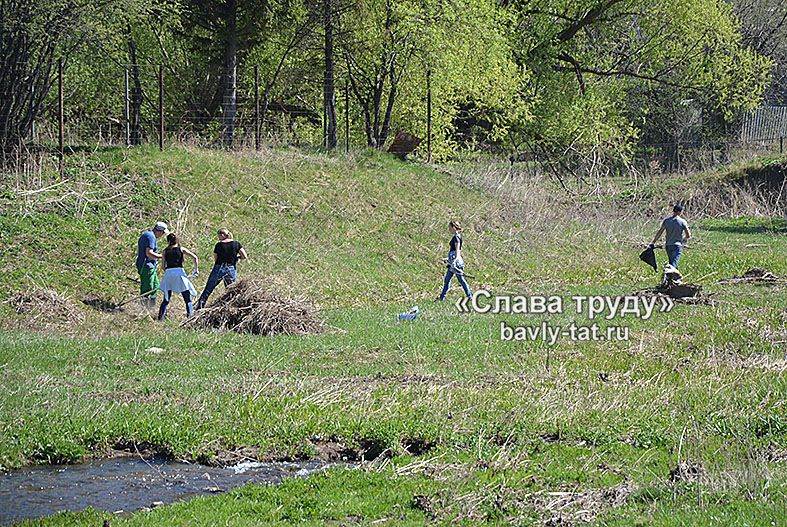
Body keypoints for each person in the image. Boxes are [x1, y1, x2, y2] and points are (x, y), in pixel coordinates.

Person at [195, 228, 248, 309]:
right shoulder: (236, 244)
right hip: (231, 268)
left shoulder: (219, 245)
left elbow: (216, 258)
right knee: (230, 290)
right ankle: (230, 307)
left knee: (209, 288)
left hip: (219, 267)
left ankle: (200, 306)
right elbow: (244, 256)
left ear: (222, 235)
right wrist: (237, 258)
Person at [157, 233, 199, 320]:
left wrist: (168, 272)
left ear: (168, 241)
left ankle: (160, 317)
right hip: (179, 273)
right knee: (187, 298)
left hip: (169, 273)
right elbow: (195, 257)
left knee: (166, 298)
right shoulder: (181, 249)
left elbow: (163, 266)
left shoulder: (165, 251)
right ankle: (190, 317)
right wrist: (196, 270)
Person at [437, 220, 472, 300]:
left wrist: (454, 261)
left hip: (456, 263)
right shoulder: (457, 236)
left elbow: (457, 250)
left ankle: (470, 296)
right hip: (453, 261)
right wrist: (447, 259)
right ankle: (441, 297)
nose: (449, 229)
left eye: (450, 228)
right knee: (447, 279)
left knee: (461, 280)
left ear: (453, 228)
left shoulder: (456, 238)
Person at [136, 221, 168, 310]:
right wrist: (163, 256)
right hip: (146, 266)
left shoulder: (149, 235)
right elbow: (149, 253)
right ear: (159, 231)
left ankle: (151, 308)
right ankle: (144, 309)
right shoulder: (150, 237)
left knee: (155, 286)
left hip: (151, 266)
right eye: (162, 233)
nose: (162, 235)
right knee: (147, 287)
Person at [650, 204, 692, 269]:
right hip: (677, 245)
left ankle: (669, 277)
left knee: (672, 262)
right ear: (679, 212)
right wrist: (684, 239)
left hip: (668, 245)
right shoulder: (682, 222)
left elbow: (660, 232)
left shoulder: (667, 221)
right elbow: (688, 235)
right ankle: (668, 274)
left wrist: (653, 242)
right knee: (673, 264)